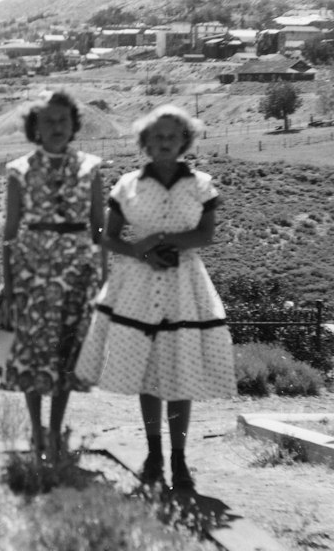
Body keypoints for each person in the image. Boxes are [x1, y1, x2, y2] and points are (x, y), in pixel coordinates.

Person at [75, 104, 235, 490]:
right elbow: (106, 236)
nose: (164, 143)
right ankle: (153, 452)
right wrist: (140, 249)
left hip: (184, 286)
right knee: (149, 373)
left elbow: (205, 235)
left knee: (181, 373)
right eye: (156, 137)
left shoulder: (201, 185)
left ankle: (180, 460)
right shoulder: (127, 185)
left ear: (185, 140)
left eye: (172, 136)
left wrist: (163, 240)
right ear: (144, 142)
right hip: (137, 288)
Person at [1, 90, 104, 461]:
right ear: (36, 128)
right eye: (48, 121)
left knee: (66, 354)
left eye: (63, 120)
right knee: (32, 352)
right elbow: (10, 233)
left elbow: (99, 229)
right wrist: (9, 287)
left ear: (74, 124)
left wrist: (103, 281)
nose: (56, 127)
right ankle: (36, 430)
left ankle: (57, 429)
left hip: (77, 275)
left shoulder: (91, 168)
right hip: (33, 273)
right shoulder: (20, 171)